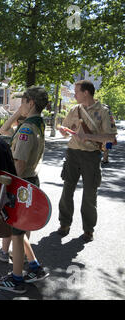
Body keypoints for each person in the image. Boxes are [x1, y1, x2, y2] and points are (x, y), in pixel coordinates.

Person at [0, 86, 50, 294]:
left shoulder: (26, 130)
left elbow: (19, 165)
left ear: (30, 102)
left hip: (21, 183)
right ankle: (34, 266)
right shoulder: (37, 124)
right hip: (31, 181)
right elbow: (4, 130)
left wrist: (6, 191)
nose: (19, 106)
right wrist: (19, 112)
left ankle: (16, 279)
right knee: (19, 230)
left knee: (16, 233)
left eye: (22, 102)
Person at [58, 80, 117, 242]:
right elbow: (65, 131)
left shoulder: (103, 111)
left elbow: (111, 137)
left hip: (91, 156)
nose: (74, 94)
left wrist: (89, 136)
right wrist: (63, 130)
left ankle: (88, 229)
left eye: (77, 92)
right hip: (72, 153)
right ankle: (64, 224)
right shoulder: (74, 110)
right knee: (67, 189)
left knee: (90, 193)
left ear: (86, 93)